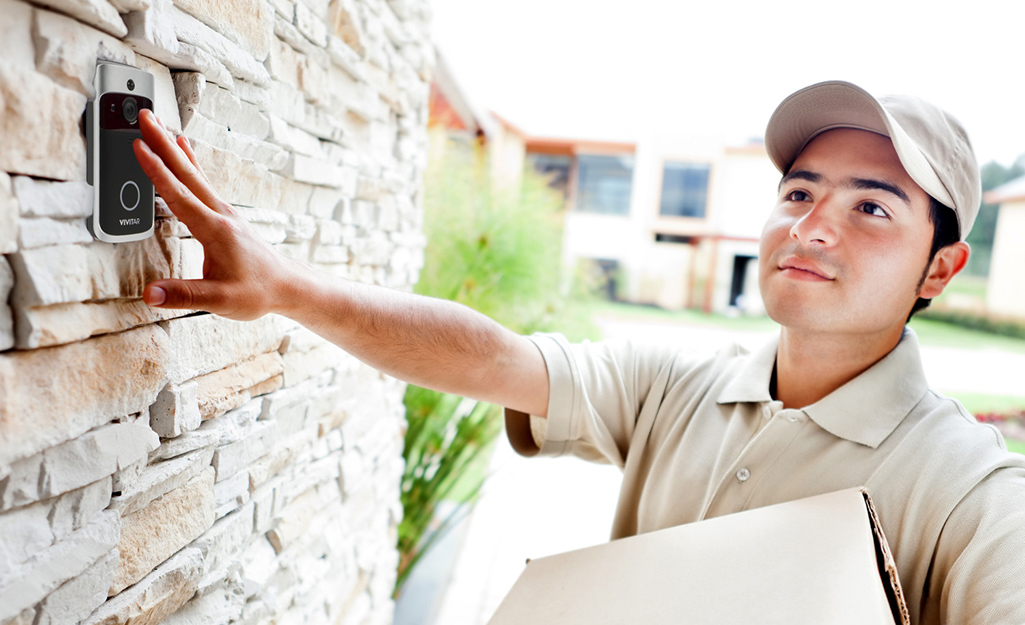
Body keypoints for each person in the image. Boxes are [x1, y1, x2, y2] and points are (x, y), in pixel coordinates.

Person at [134, 80, 1025, 625]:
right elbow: (489, 359)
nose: (812, 225)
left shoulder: (971, 494)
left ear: (939, 268)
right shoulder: (679, 387)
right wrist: (287, 287)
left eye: (871, 208)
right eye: (798, 190)